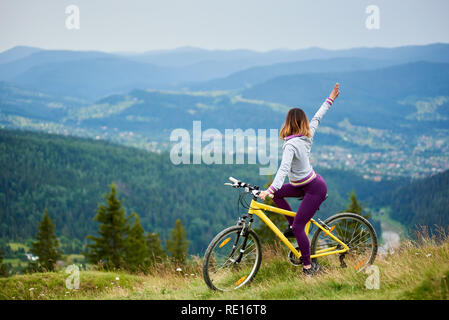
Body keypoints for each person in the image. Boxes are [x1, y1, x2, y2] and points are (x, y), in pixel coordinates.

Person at [259, 83, 340, 276]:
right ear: (301, 123)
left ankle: (309, 268)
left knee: (299, 227)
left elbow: (283, 169)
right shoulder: (307, 135)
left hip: (314, 189)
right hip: (304, 185)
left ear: (288, 123)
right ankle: (291, 226)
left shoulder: (291, 145)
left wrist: (268, 190)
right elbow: (318, 117)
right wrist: (330, 99)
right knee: (278, 195)